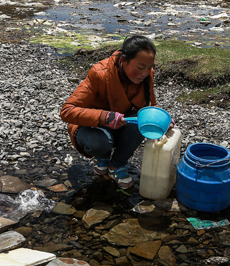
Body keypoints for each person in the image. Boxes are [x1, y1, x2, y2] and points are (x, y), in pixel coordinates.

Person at [60, 35, 163, 189]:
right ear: (124, 61)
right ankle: (102, 157)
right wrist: (104, 117)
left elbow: (150, 106)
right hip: (91, 126)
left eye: (149, 67)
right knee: (99, 144)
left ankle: (117, 165)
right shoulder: (99, 73)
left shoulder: (147, 75)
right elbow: (67, 111)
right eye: (140, 67)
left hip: (120, 122)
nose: (145, 73)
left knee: (142, 121)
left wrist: (161, 120)